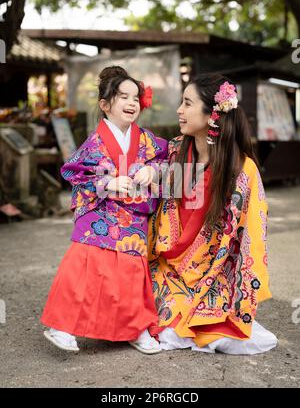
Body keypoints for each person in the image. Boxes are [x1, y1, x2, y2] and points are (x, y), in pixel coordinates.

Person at [41, 66, 168, 354]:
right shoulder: (95, 142)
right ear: (105, 104)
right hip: (101, 212)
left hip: (133, 216)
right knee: (84, 263)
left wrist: (152, 170)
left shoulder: (146, 139)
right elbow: (77, 173)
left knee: (130, 274)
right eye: (123, 96)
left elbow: (165, 158)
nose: (132, 102)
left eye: (136, 97)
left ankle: (134, 328)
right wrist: (107, 182)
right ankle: (62, 326)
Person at [148, 73, 278, 354]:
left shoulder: (242, 170)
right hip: (168, 264)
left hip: (214, 271)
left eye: (187, 103)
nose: (179, 111)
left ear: (211, 116)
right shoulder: (173, 153)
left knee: (212, 320)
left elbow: (251, 237)